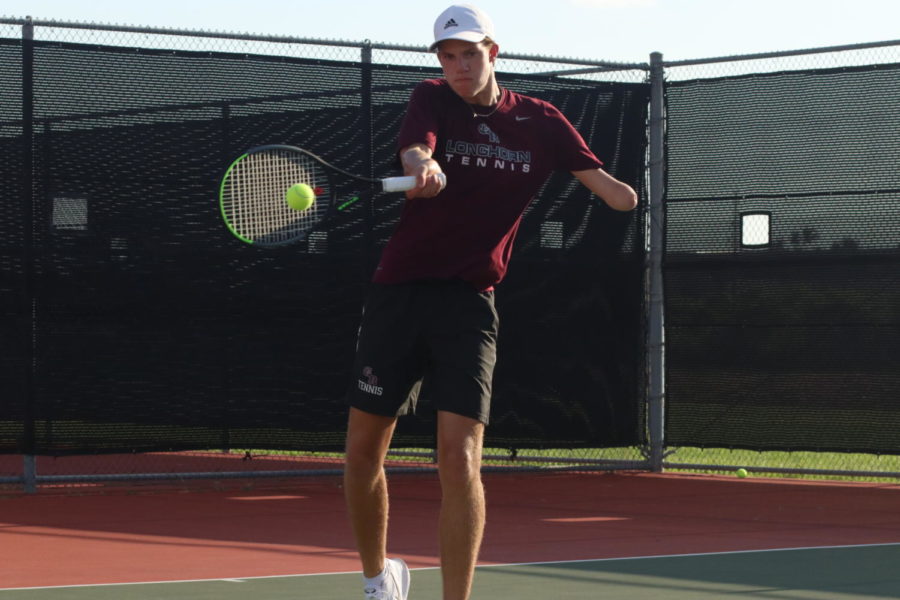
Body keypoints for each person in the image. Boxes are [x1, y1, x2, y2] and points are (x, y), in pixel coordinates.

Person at [343, 4, 638, 600]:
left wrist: (620, 193)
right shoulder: (431, 98)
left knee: (461, 459)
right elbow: (415, 149)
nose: (457, 66)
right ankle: (380, 579)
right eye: (447, 56)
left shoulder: (542, 121)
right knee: (361, 456)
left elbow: (615, 194)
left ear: (494, 53)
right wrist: (422, 165)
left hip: (470, 304)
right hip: (399, 293)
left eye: (469, 54)